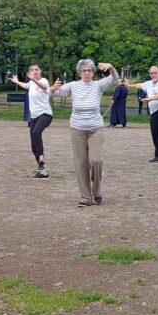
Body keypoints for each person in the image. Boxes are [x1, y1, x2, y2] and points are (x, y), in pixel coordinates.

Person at [50, 59, 118, 207]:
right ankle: (86, 197)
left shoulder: (98, 85)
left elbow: (114, 78)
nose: (87, 73)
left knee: (95, 160)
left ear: (93, 72)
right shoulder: (73, 86)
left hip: (96, 129)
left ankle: (97, 191)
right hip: (77, 129)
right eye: (84, 71)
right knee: (81, 163)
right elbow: (53, 93)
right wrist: (53, 88)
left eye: (89, 70)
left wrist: (111, 67)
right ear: (79, 73)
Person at [9, 62, 54, 178]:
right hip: (34, 117)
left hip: (45, 114)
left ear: (40, 71)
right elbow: (26, 85)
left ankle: (42, 157)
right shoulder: (31, 83)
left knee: (36, 132)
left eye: (36, 69)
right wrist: (16, 81)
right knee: (34, 146)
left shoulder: (43, 81)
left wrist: (33, 79)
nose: (34, 72)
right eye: (32, 70)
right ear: (29, 72)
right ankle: (43, 171)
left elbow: (44, 87)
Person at [123, 66, 158, 163]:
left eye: (155, 72)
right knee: (155, 132)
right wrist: (129, 85)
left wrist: (150, 98)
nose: (154, 75)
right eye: (152, 73)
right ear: (150, 74)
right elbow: (140, 85)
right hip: (155, 112)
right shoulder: (149, 84)